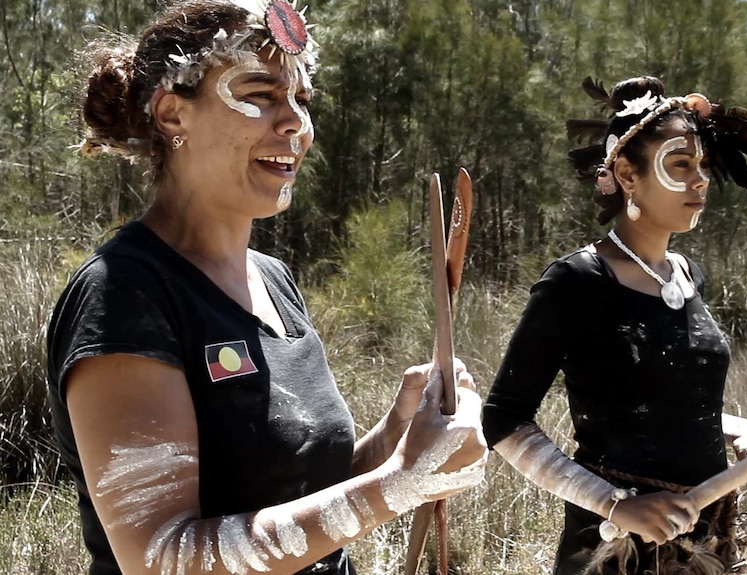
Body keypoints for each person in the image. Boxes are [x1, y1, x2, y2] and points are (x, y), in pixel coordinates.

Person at [46, 2, 487, 574]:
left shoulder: (272, 278)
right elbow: (158, 557)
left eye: (300, 100)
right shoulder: (123, 294)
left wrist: (394, 439)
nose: (294, 124)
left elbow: (292, 496)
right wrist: (397, 486)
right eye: (258, 94)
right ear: (172, 114)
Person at [482, 76, 747, 575]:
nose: (700, 180)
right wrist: (617, 505)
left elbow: (656, 401)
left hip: (707, 543)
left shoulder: (688, 276)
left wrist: (734, 429)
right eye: (680, 165)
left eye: (703, 165)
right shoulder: (577, 280)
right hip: (614, 551)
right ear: (627, 173)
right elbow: (505, 420)